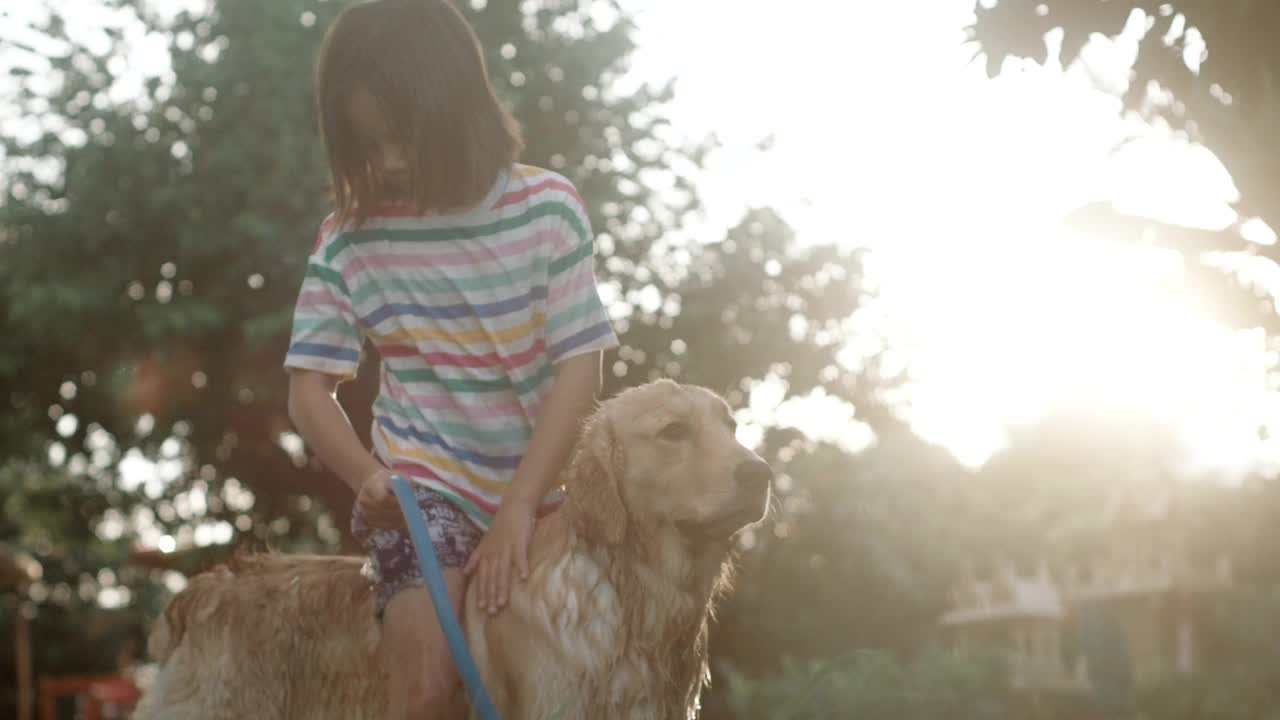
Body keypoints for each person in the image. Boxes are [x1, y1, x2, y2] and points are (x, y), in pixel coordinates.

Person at [283, 1, 619, 717]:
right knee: (430, 687)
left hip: (548, 488)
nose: (389, 162)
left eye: (402, 137)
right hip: (424, 493)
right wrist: (369, 477)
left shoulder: (547, 209)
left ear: (456, 109)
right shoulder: (348, 239)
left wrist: (520, 508)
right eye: (367, 145)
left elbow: (579, 370)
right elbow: (309, 389)